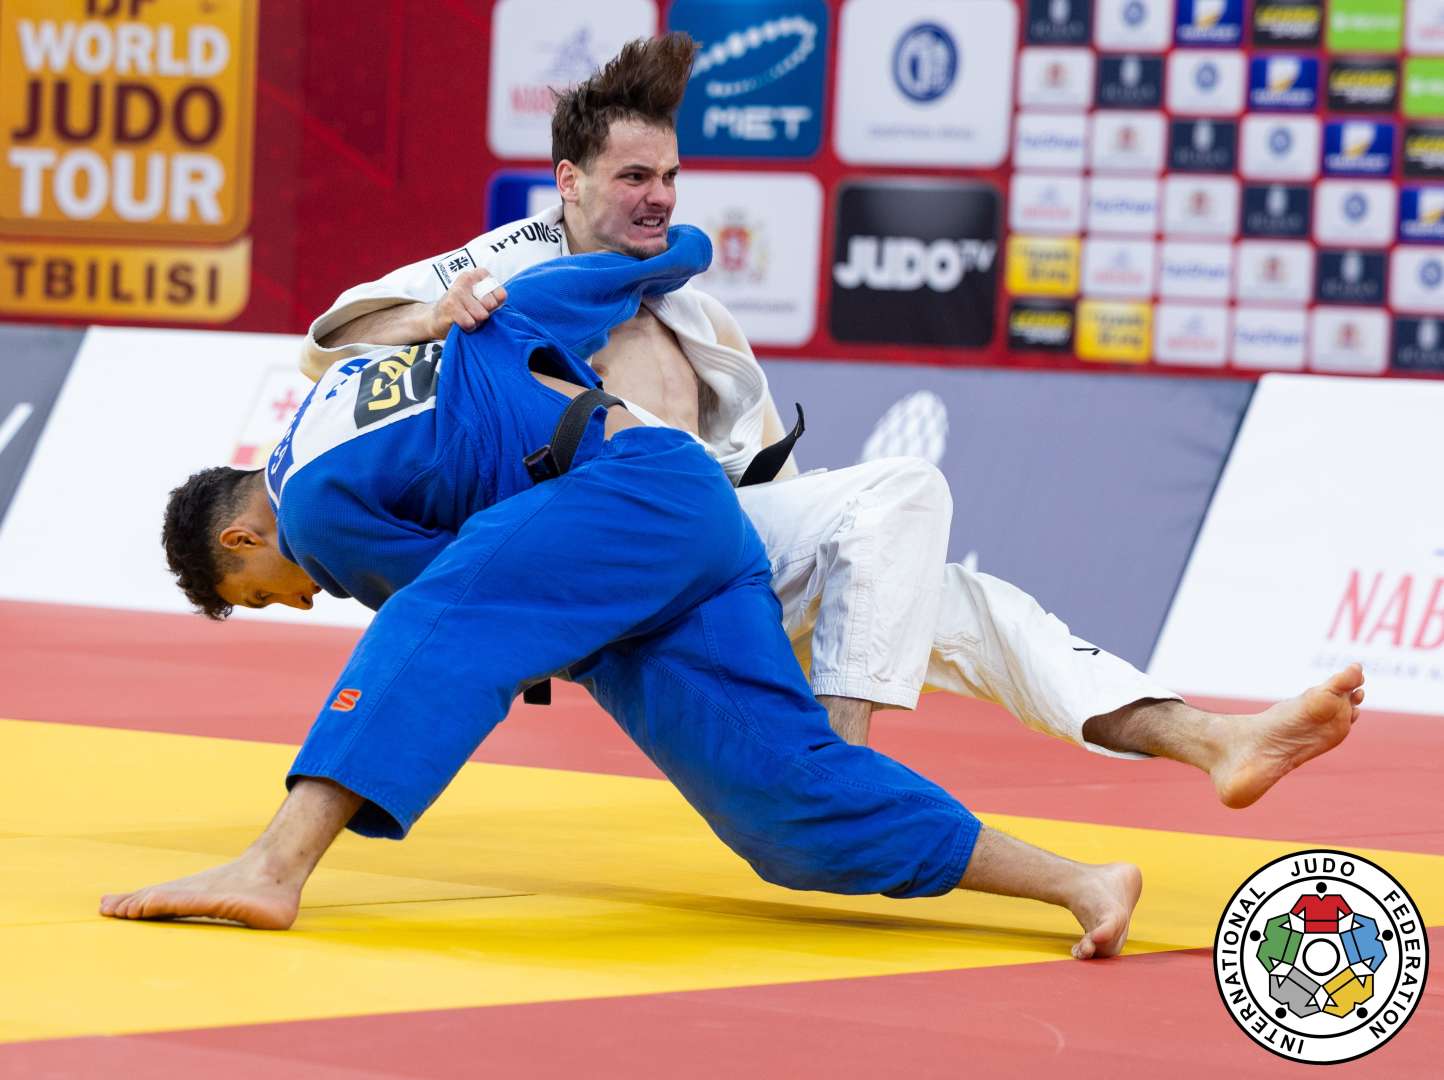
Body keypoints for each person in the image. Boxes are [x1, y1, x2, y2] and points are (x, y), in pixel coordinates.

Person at [103, 230, 1360, 963]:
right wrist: (678, 245)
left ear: (241, 531)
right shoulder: (400, 344)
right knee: (780, 811)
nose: (297, 602)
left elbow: (469, 617)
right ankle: (1083, 881)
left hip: (626, 501)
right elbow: (572, 289)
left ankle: (276, 865)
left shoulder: (320, 505)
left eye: (260, 592)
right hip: (667, 517)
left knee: (442, 619)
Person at [298, 32, 1365, 784]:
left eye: (670, 174)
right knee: (904, 490)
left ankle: (1211, 743)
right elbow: (326, 339)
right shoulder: (511, 265)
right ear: (568, 181)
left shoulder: (692, 306)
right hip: (607, 559)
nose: (659, 195)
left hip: (719, 545)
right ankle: (840, 762)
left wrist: (852, 573)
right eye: (632, 177)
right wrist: (436, 311)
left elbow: (776, 481)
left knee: (967, 606)